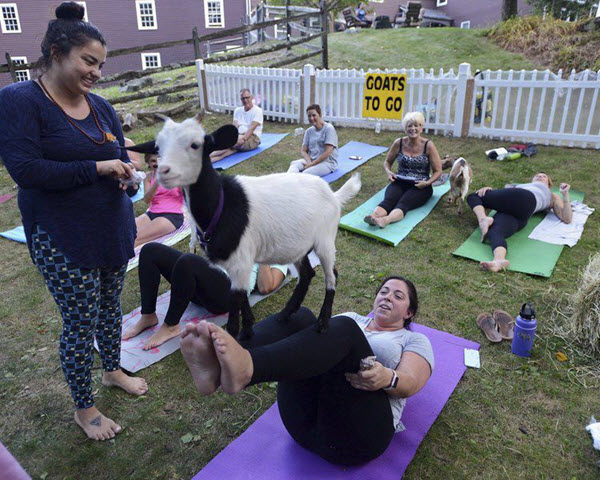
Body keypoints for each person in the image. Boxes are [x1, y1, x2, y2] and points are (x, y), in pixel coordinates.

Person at [0, 2, 148, 441]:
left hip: (112, 229)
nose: (96, 72)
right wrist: (100, 169)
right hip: (62, 237)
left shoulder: (101, 107)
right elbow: (25, 170)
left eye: (100, 64)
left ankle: (111, 369)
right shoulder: (19, 100)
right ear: (55, 51)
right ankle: (85, 408)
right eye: (88, 61)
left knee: (109, 308)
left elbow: (120, 157)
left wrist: (130, 180)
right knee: (81, 322)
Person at [181, 276, 433, 466]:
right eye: (383, 292)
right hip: (303, 422)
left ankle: (248, 367)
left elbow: (411, 382)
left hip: (356, 437)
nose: (387, 297)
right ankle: (219, 365)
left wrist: (387, 377)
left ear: (409, 312)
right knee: (301, 316)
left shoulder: (413, 340)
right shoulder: (353, 317)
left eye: (398, 296)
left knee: (343, 328)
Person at [122, 242, 288, 349]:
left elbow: (266, 286)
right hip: (204, 284)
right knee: (150, 250)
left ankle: (171, 325)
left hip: (228, 295)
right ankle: (148, 315)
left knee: (188, 261)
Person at [467, 172, 573, 272]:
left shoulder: (552, 195)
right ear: (532, 180)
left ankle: (482, 219)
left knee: (474, 196)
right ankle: (498, 260)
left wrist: (565, 195)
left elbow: (567, 218)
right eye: (537, 175)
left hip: (526, 198)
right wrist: (489, 190)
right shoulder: (520, 186)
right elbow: (502, 195)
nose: (540, 176)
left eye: (544, 176)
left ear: (548, 185)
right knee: (494, 232)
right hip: (520, 215)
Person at [364, 111, 442, 228]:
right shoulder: (399, 143)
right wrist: (389, 172)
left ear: (421, 128)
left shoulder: (428, 145)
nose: (413, 128)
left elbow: (438, 171)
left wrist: (427, 183)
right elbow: (387, 162)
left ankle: (385, 220)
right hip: (400, 181)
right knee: (389, 201)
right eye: (409, 126)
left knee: (403, 203)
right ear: (405, 128)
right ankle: (373, 216)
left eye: (416, 125)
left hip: (420, 185)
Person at [134, 152, 185, 247]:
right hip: (151, 213)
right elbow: (147, 200)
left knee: (136, 239)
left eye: (160, 160)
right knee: (125, 232)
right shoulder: (149, 177)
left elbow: (187, 195)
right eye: (153, 161)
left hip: (172, 216)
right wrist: (157, 182)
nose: (157, 164)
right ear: (148, 163)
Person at [210, 88, 263, 163]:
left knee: (227, 143)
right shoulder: (237, 110)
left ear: (252, 97)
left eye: (247, 97)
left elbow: (252, 128)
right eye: (243, 98)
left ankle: (204, 156)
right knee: (226, 152)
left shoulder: (258, 111)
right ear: (241, 99)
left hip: (252, 138)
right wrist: (232, 137)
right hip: (238, 137)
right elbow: (234, 127)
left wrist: (243, 140)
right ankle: (205, 161)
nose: (245, 100)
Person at [287, 104, 338, 177]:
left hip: (327, 163)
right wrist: (309, 162)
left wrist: (312, 164)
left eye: (314, 115)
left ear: (320, 115)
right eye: (309, 116)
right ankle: (288, 180)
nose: (311, 118)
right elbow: (303, 150)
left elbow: (328, 152)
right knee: (294, 164)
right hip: (311, 160)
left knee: (305, 174)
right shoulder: (309, 131)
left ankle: (294, 183)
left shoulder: (329, 129)